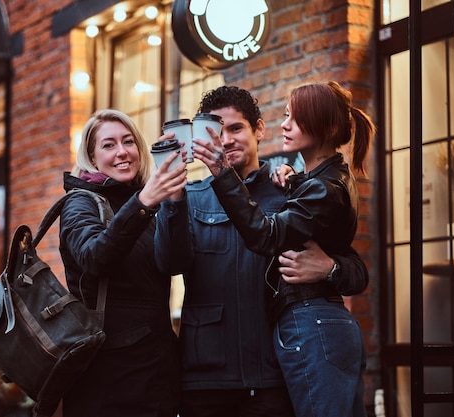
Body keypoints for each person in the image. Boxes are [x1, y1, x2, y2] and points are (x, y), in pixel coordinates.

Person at [155, 85, 369, 417]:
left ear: (258, 130)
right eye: (216, 131)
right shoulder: (190, 197)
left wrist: (328, 268)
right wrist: (172, 200)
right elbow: (169, 263)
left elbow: (356, 271)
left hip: (273, 375)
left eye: (235, 128)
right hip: (205, 378)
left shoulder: (291, 191)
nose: (225, 140)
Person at [59, 109, 187, 417]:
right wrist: (143, 203)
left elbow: (176, 262)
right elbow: (94, 257)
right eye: (108, 144)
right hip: (109, 377)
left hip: (156, 370)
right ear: (91, 156)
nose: (122, 152)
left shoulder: (147, 202)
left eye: (128, 141)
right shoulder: (80, 202)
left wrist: (175, 200)